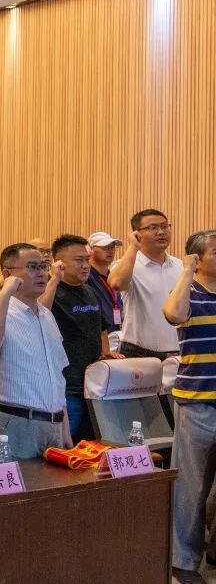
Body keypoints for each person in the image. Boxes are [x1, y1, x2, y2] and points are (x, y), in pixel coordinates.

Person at [0, 243, 71, 461]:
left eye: (44, 266)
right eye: (32, 267)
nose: (42, 273)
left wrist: (65, 429)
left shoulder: (47, 316)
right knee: (11, 484)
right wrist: (6, 292)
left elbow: (57, 376)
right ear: (7, 274)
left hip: (53, 426)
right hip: (13, 424)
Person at [163, 230, 216, 581]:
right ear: (197, 259)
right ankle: (183, 561)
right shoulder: (188, 291)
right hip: (197, 401)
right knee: (191, 487)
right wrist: (187, 271)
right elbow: (172, 314)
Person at [48, 234, 123, 442]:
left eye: (87, 259)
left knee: (90, 442)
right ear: (59, 263)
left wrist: (106, 353)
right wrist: (54, 279)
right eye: (78, 260)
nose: (85, 265)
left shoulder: (90, 291)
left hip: (93, 385)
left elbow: (102, 328)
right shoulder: (51, 291)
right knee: (64, 443)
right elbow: (39, 314)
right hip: (66, 385)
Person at [109, 208, 183, 359]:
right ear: (137, 234)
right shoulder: (126, 265)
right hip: (138, 352)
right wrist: (133, 247)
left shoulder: (180, 265)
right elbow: (117, 284)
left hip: (178, 352)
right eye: (153, 228)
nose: (161, 232)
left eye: (165, 226)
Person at [87, 231, 124, 338]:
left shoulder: (113, 277)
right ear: (91, 249)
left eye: (112, 247)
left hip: (115, 335)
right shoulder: (86, 277)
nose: (110, 250)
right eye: (105, 247)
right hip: (97, 337)